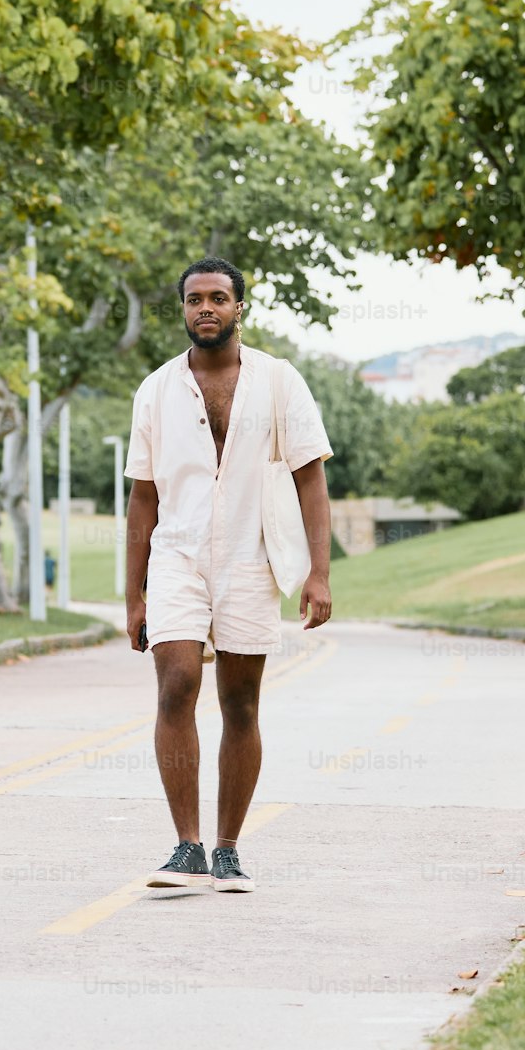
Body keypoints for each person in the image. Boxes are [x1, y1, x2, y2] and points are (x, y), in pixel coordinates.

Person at [124, 256, 333, 894]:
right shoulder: (156, 389)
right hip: (177, 556)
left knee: (240, 702)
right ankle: (186, 848)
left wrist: (318, 573)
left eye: (218, 297)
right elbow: (142, 496)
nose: (206, 308)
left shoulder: (280, 381)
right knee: (176, 684)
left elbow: (310, 477)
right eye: (194, 299)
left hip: (251, 555)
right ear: (183, 308)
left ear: (240, 306)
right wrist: (132, 594)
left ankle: (227, 849)